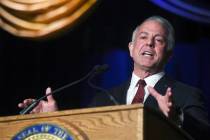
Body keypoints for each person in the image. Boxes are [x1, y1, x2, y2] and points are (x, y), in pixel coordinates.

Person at [18, 16, 209, 140]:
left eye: (158, 40)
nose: (149, 42)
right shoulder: (103, 99)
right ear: (131, 49)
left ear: (169, 55)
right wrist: (55, 119)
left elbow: (205, 134)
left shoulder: (186, 95)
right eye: (143, 37)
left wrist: (178, 117)